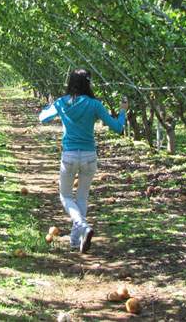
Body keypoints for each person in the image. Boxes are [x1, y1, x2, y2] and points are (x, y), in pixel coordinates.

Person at [38, 68, 128, 253]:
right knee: (82, 197)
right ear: (88, 84)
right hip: (89, 155)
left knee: (65, 196)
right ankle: (74, 240)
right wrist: (122, 111)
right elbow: (118, 128)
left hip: (70, 155)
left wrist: (52, 107)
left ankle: (82, 227)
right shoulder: (94, 104)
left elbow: (42, 118)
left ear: (70, 83)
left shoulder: (62, 103)